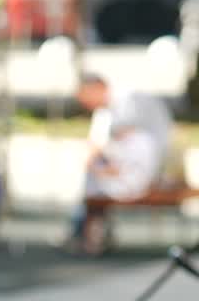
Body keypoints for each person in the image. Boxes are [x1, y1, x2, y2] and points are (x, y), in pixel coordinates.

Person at [67, 72, 172, 254]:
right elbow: (97, 145)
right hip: (129, 170)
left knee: (93, 185)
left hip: (141, 171)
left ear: (97, 88)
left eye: (86, 97)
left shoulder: (129, 106)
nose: (86, 105)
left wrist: (101, 163)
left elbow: (107, 149)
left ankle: (86, 233)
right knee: (93, 183)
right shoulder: (107, 113)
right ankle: (87, 233)